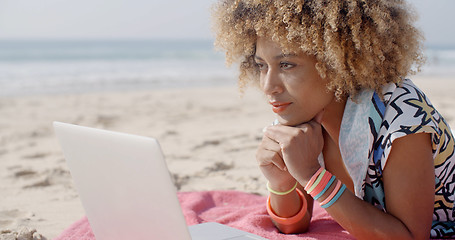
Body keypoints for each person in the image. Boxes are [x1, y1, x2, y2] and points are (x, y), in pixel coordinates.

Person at [211, 0, 455, 239]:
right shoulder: (301, 115)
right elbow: (293, 225)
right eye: (261, 65)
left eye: (286, 65)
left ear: (338, 62)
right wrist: (280, 182)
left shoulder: (400, 115)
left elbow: (410, 236)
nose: (268, 87)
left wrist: (310, 175)